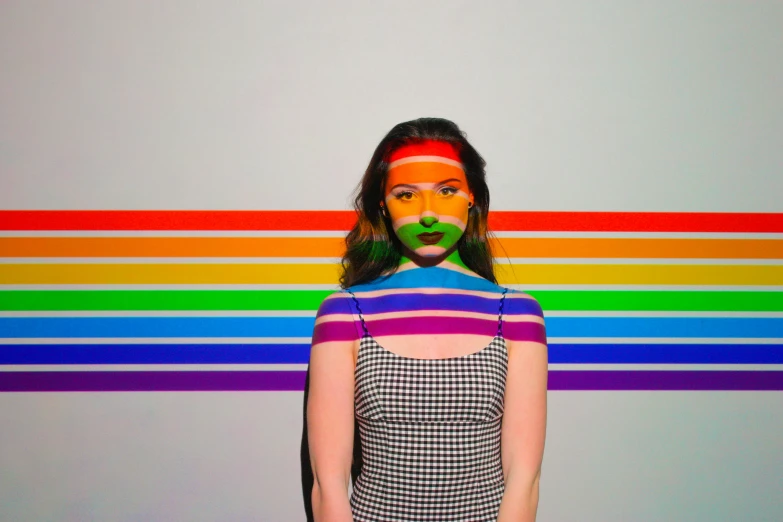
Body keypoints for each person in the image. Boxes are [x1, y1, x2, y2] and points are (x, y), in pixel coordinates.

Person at [304, 117, 548, 521]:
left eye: (446, 191)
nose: (428, 214)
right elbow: (328, 484)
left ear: (472, 197)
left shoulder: (517, 313)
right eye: (406, 195)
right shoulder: (344, 312)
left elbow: (524, 480)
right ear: (382, 204)